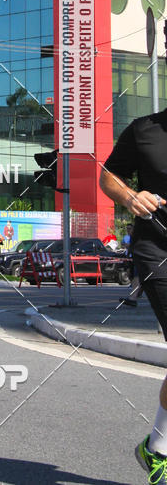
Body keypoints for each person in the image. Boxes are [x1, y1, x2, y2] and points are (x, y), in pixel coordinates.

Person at [100, 112, 167, 483]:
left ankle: (157, 447)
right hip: (156, 248)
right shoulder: (145, 130)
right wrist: (129, 196)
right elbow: (108, 175)